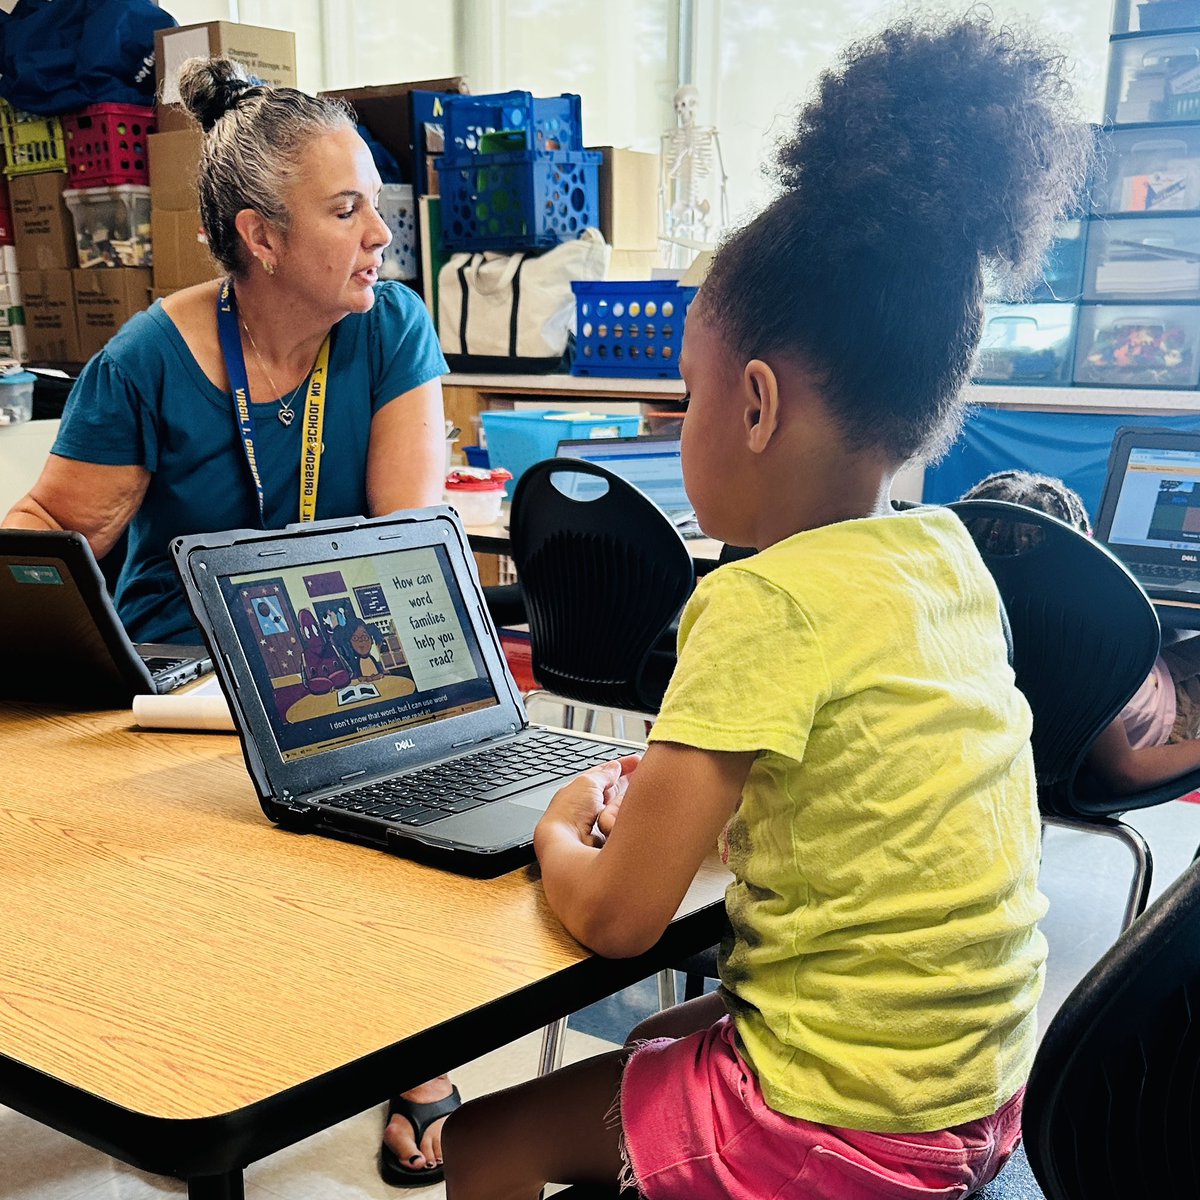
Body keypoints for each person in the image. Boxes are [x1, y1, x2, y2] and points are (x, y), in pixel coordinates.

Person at [440, 13, 1090, 1200]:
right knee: (652, 1046)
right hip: (978, 1096)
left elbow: (622, 921)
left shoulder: (760, 602)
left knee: (486, 1138)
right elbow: (859, 796)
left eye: (684, 395)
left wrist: (558, 829)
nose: (683, 421)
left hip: (846, 1129)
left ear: (753, 405)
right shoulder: (946, 560)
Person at [2, 57, 459, 1185]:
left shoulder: (390, 329)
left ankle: (421, 1053)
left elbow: (408, 538)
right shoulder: (147, 360)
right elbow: (50, 532)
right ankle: (191, 1053)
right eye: (346, 212)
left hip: (339, 656)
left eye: (375, 206)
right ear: (262, 237)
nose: (380, 238)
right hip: (179, 675)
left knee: (405, 789)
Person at [961, 469, 1200, 794]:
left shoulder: (969, 618)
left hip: (1141, 682)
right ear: (1077, 551)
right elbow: (1126, 772)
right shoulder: (1078, 647)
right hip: (1165, 715)